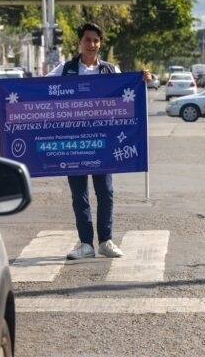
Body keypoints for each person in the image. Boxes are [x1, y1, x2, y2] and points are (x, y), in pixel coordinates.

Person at [46, 22, 151, 260]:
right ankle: (86, 244)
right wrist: (3, 89)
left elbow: (128, 91)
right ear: (79, 43)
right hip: (74, 144)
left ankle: (105, 241)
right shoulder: (66, 69)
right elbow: (38, 88)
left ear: (100, 43)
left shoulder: (109, 70)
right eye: (87, 40)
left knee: (105, 192)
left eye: (95, 40)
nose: (91, 45)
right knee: (79, 195)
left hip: (104, 145)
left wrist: (143, 79)